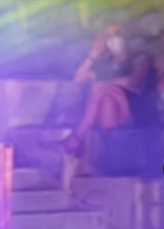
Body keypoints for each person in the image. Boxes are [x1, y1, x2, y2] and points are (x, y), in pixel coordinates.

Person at [63, 25, 149, 157]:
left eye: (117, 35)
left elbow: (132, 81)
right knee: (106, 99)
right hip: (105, 114)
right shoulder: (103, 64)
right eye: (110, 37)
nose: (115, 40)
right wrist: (91, 56)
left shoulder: (137, 58)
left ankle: (78, 135)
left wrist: (105, 84)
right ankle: (111, 150)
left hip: (130, 112)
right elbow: (78, 79)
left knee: (101, 90)